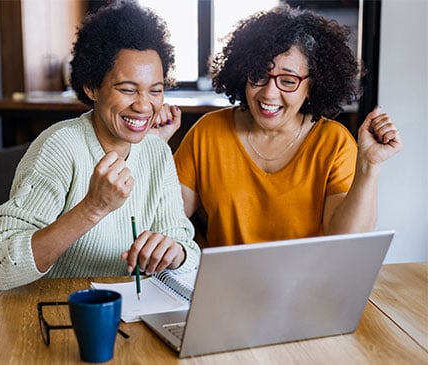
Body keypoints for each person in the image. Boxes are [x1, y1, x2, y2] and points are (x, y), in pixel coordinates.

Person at [0, 1, 200, 291]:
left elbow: (189, 253)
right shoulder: (60, 147)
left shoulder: (157, 152)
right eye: (127, 89)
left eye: (156, 91)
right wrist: (93, 207)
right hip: (57, 313)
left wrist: (175, 253)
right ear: (91, 87)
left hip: (131, 314)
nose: (143, 105)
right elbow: (4, 266)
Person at [172, 5, 403, 246]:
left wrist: (369, 166)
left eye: (288, 81)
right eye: (259, 76)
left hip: (310, 282)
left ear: (311, 86)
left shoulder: (333, 142)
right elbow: (168, 218)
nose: (270, 93)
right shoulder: (209, 132)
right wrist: (151, 147)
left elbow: (347, 239)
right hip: (229, 282)